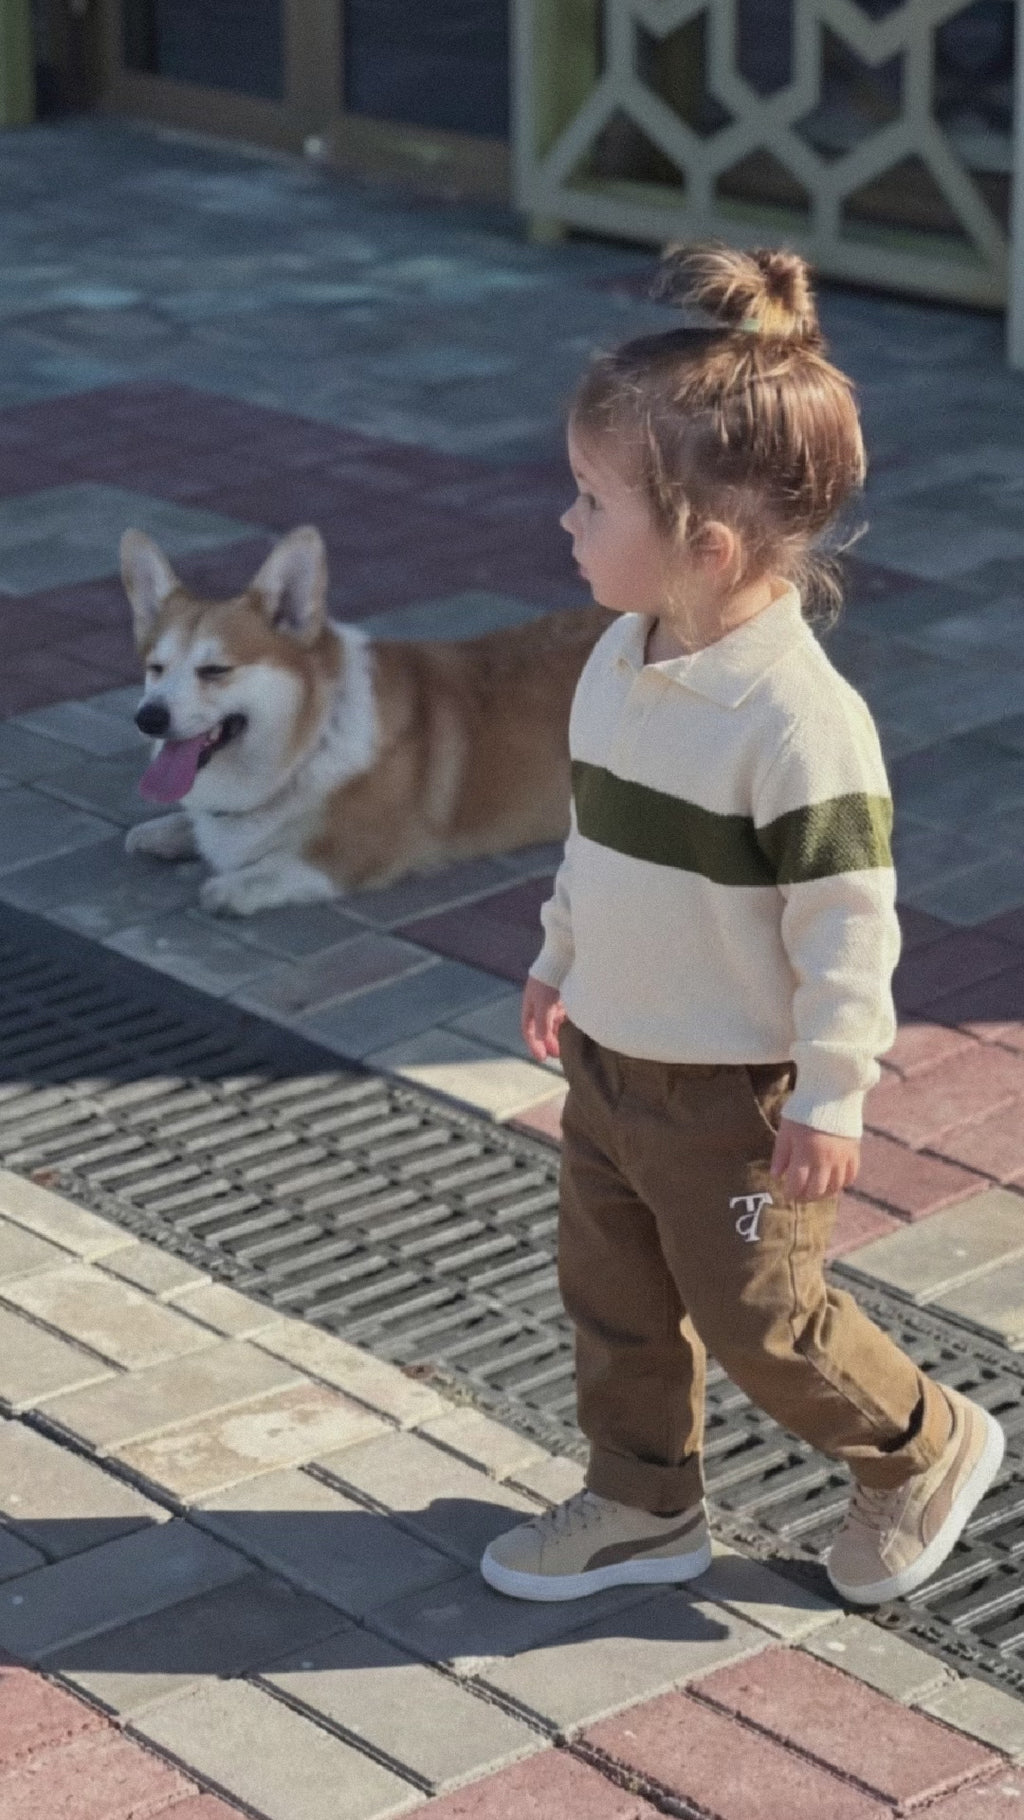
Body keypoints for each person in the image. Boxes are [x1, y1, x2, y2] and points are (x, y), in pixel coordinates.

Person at [480, 244, 1004, 1608]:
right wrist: (558, 954)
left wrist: (832, 1097)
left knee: (763, 1318)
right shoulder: (621, 652)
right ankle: (642, 1503)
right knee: (612, 1294)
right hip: (608, 1057)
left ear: (704, 545)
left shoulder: (798, 724)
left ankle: (921, 1445)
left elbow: (849, 926)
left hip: (731, 1094)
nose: (567, 523)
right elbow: (598, 837)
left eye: (593, 500)